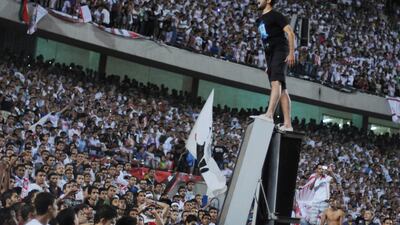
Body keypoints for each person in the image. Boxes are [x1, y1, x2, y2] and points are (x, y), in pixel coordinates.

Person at [255, 0, 296, 132]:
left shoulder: (276, 15)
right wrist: (269, 63)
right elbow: (266, 42)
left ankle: (269, 114)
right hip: (271, 55)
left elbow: (290, 32)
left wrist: (291, 53)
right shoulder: (260, 20)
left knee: (276, 83)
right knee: (282, 89)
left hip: (280, 50)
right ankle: (288, 124)